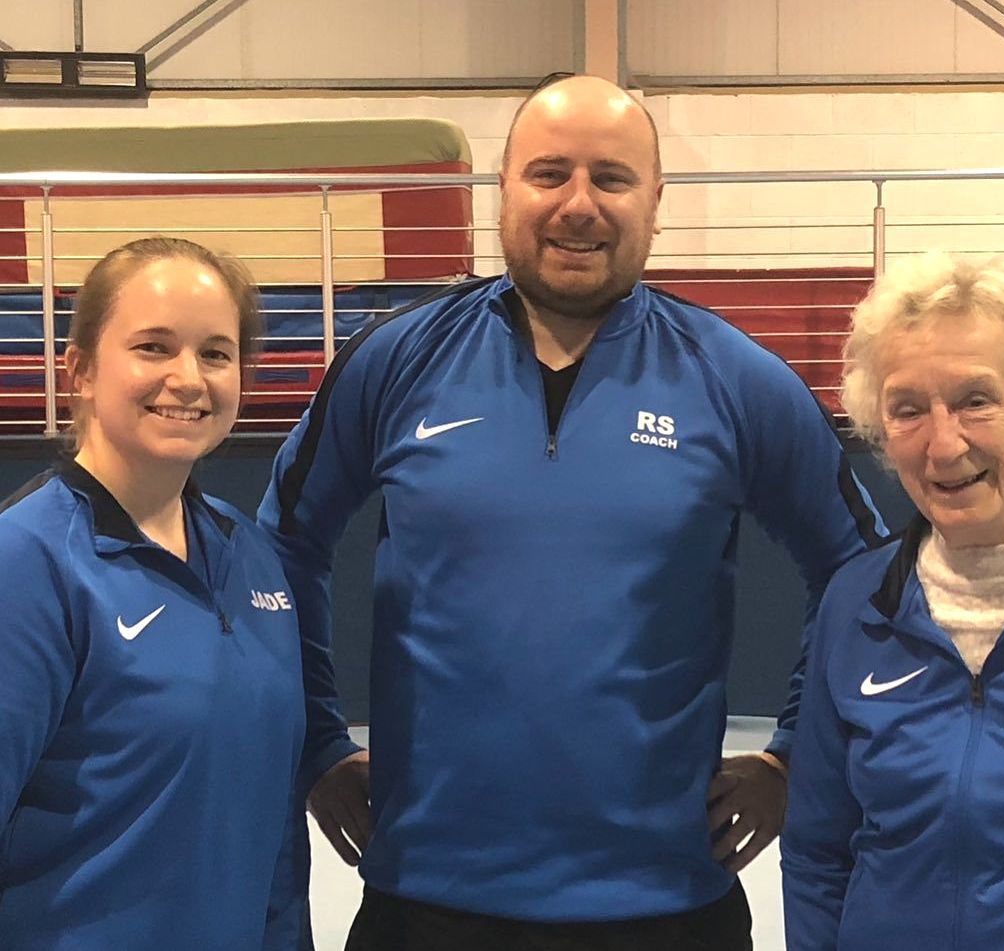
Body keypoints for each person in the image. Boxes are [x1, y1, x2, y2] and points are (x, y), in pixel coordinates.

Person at [259, 74, 884, 950]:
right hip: (427, 896)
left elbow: (863, 573)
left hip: (668, 902)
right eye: (548, 173)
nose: (578, 205)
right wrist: (318, 742)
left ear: (655, 202)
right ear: (501, 191)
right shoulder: (394, 360)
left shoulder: (738, 379)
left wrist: (792, 755)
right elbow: (279, 552)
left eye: (612, 178)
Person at [778, 252, 1004, 950]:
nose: (942, 444)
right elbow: (816, 852)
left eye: (975, 399)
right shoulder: (854, 601)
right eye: (907, 409)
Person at [0, 237, 309, 949]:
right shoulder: (30, 563)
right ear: (78, 370)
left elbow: (271, 831)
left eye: (215, 352)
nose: (187, 378)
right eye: (152, 346)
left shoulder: (252, 555)